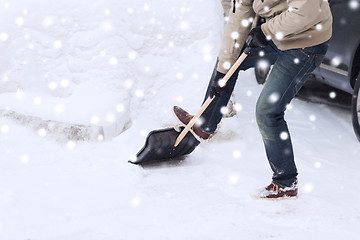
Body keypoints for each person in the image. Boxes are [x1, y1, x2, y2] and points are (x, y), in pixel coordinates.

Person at [173, 0, 332, 199]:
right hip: (279, 34)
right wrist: (222, 72)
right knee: (229, 62)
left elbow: (305, 11)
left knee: (267, 111)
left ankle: (286, 182)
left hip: (306, 43)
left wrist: (265, 31)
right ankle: (205, 123)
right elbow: (239, 17)